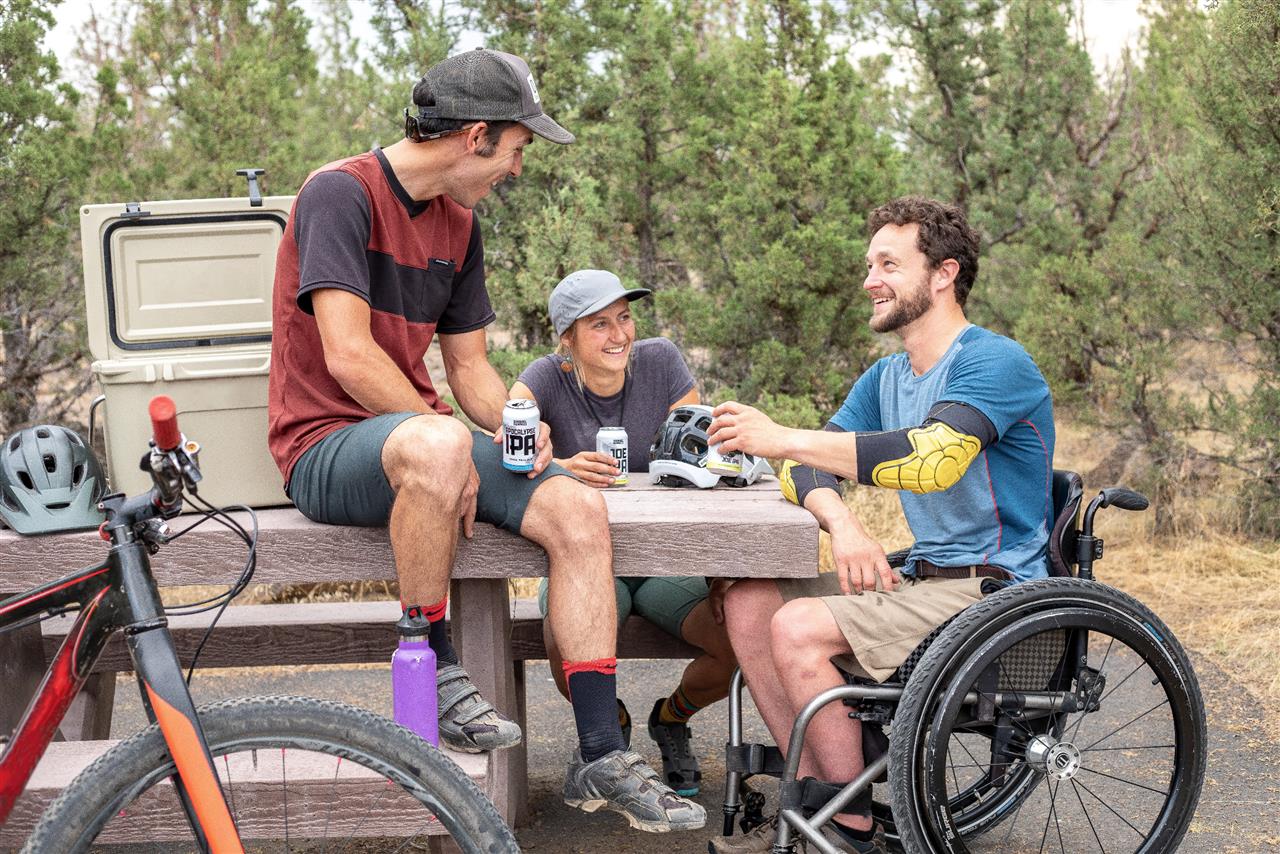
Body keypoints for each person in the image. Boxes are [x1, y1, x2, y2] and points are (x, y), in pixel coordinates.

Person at [267, 48, 704, 832]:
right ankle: (431, 658)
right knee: (438, 449)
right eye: (517, 149)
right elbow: (348, 354)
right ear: (475, 136)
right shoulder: (340, 194)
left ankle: (602, 747)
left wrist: (516, 429)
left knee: (573, 507)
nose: (517, 168)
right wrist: (443, 435)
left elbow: (467, 365)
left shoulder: (457, 225)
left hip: (418, 434)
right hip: (324, 444)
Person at [706, 196, 1055, 854]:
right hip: (923, 578)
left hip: (994, 590)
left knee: (798, 626)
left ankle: (846, 827)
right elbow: (800, 473)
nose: (870, 279)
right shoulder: (887, 376)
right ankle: (822, 798)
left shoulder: (995, 363)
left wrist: (782, 436)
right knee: (749, 599)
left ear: (944, 274)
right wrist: (842, 524)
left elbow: (934, 461)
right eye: (870, 264)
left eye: (889, 264)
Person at [510, 269, 738, 797]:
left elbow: (701, 460)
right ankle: (610, 728)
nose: (619, 335)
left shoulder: (661, 361)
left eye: (625, 318)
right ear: (566, 337)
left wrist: (721, 570)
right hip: (580, 564)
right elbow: (504, 447)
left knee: (738, 642)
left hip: (663, 563)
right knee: (567, 653)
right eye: (599, 325)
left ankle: (670, 719)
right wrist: (558, 466)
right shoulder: (543, 377)